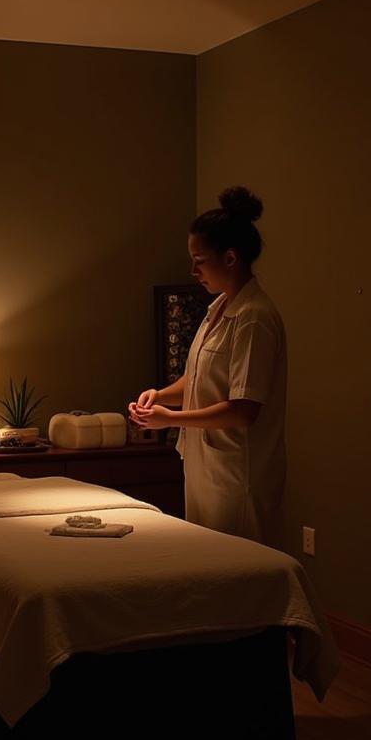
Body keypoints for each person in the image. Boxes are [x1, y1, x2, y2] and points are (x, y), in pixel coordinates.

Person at [129, 186, 287, 547]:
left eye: (199, 260)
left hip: (237, 475)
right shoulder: (217, 309)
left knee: (239, 570)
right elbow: (199, 377)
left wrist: (170, 419)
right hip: (204, 466)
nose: (193, 270)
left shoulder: (253, 318)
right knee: (207, 563)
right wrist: (162, 395)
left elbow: (243, 409)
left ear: (230, 258)